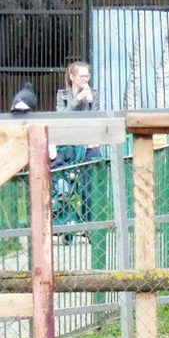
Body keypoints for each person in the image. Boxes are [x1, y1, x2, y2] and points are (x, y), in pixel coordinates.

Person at [56, 61, 101, 222]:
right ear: (72, 77)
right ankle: (65, 221)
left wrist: (88, 102)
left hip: (88, 145)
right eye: (82, 76)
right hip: (68, 147)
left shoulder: (94, 94)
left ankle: (89, 225)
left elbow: (94, 118)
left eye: (87, 76)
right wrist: (78, 99)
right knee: (62, 183)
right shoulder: (63, 95)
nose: (85, 79)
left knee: (90, 187)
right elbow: (61, 117)